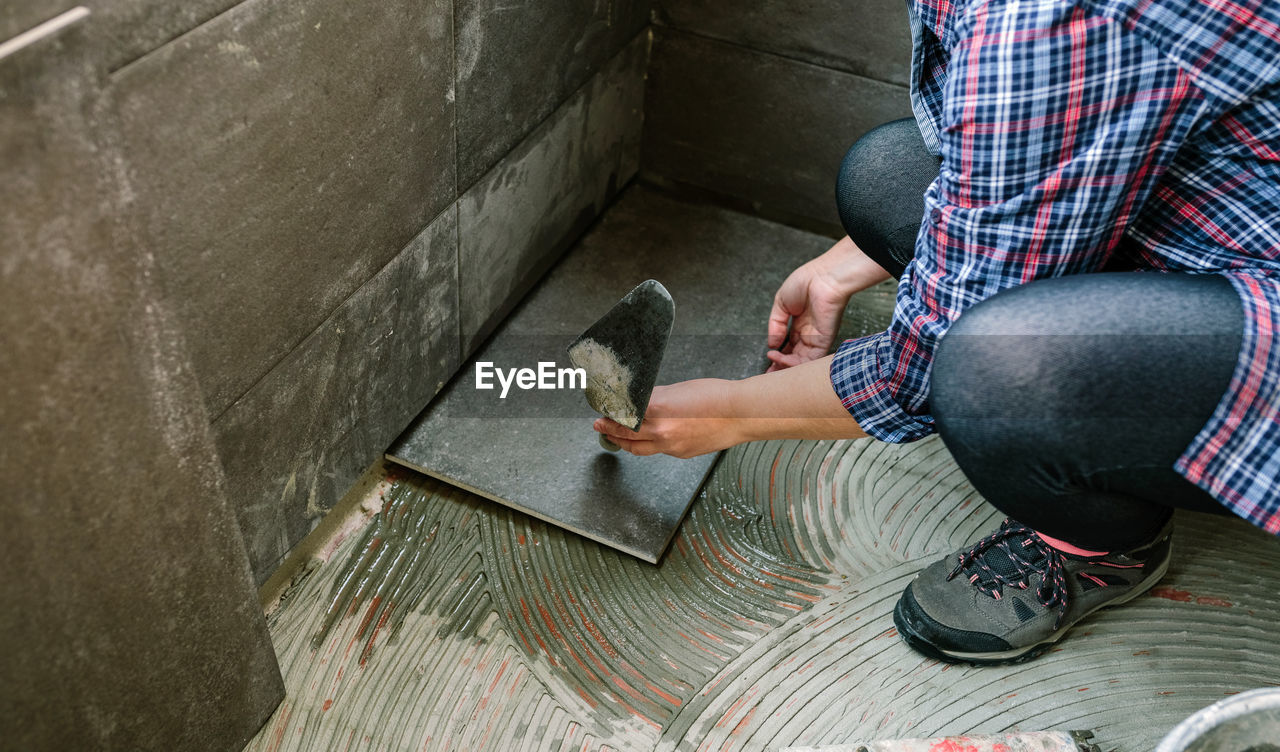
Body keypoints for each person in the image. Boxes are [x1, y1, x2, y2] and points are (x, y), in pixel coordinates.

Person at [593, 0, 1280, 664]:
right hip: (1233, 216)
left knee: (990, 372)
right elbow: (1061, 138)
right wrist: (842, 266)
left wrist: (727, 413)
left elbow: (917, 376)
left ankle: (1102, 545)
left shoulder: (1051, 17)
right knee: (885, 174)